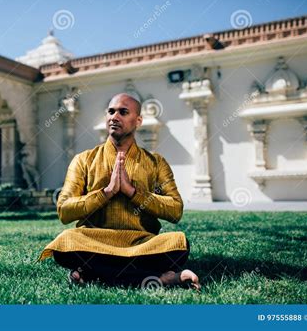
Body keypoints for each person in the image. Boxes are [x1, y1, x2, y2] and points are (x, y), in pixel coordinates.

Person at [39, 93, 200, 289]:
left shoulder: (156, 162)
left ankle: (92, 274)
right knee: (66, 242)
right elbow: (64, 210)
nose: (114, 117)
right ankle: (159, 278)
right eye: (111, 111)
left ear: (138, 120)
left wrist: (132, 192)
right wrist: (106, 193)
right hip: (94, 241)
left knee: (178, 242)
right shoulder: (83, 160)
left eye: (123, 112)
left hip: (141, 243)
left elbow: (175, 210)